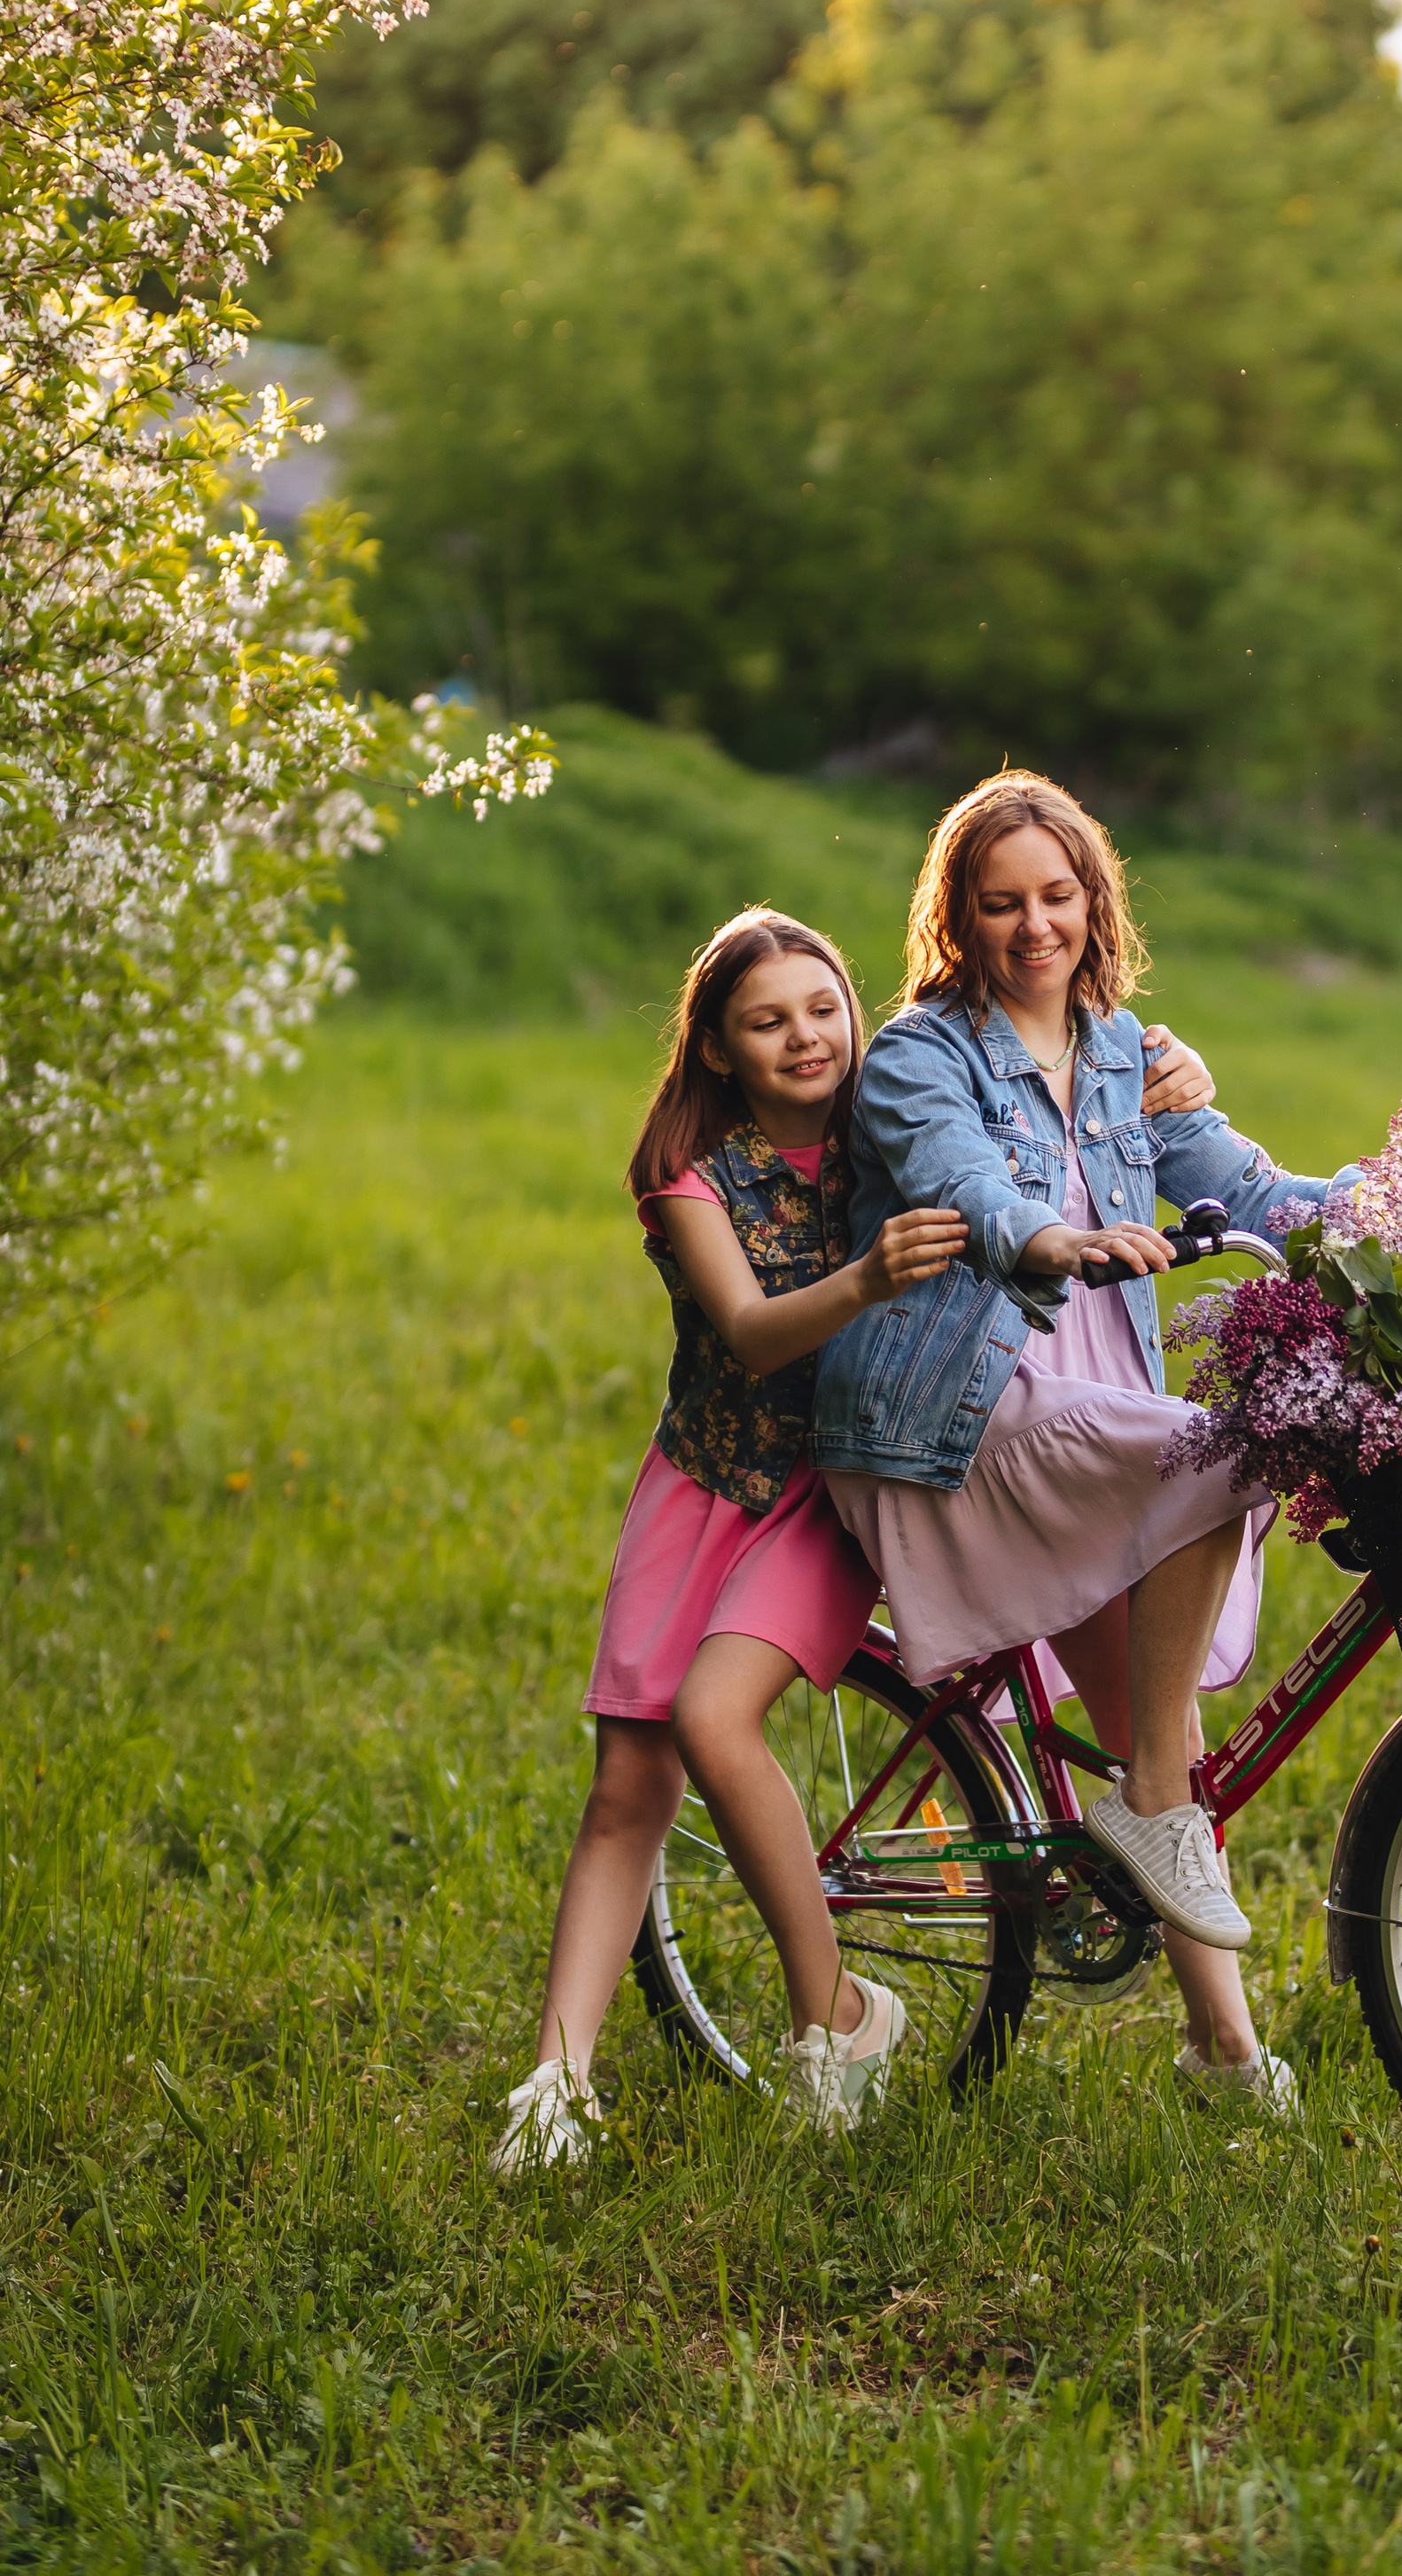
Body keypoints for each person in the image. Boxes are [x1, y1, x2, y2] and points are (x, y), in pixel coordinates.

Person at [492, 902, 1216, 2174]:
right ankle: (559, 2078)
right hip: (705, 1483)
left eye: (824, 1009)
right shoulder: (693, 1181)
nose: (805, 1038)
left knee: (714, 1724)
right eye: (766, 1022)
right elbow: (752, 1331)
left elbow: (1031, 1087)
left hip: (831, 1493)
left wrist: (1167, 1073)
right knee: (629, 1777)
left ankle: (834, 2020)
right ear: (717, 1048)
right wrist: (870, 1278)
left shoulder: (900, 1111)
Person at [814, 773, 1357, 2112]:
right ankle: (1157, 1807)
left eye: (1057, 896)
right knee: (1226, 1449)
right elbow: (963, 1177)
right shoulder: (917, 1055)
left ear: (1093, 900)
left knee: (1141, 1739)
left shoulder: (1126, 1052)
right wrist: (1050, 1238)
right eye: (1001, 903)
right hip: (964, 1415)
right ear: (961, 917)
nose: (1034, 925)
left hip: (1094, 1407)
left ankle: (1224, 2053)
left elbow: (1246, 1186)